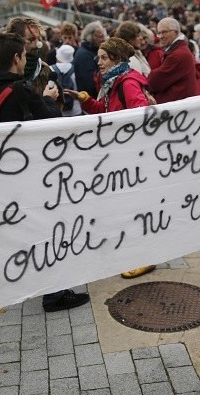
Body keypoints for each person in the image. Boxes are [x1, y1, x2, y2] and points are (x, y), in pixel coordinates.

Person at [0, 33, 89, 311]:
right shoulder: (20, 88)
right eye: (25, 54)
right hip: (31, 170)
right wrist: (48, 99)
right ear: (16, 58)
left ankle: (39, 283)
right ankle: (54, 295)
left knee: (30, 228)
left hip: (5, 171)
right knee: (48, 228)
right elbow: (50, 122)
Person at [67, 37, 153, 278]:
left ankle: (145, 257)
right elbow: (107, 112)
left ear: (116, 58)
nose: (99, 62)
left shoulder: (126, 83)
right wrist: (84, 99)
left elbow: (139, 114)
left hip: (129, 155)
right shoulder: (113, 82)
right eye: (99, 57)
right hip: (119, 154)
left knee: (133, 206)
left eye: (104, 57)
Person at [148, 17, 200, 103]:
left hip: (176, 109)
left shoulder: (178, 54)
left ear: (176, 32)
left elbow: (154, 81)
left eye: (164, 32)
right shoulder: (179, 50)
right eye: (159, 33)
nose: (160, 36)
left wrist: (151, 74)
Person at [73, 21, 107, 98]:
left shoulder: (94, 51)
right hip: (89, 101)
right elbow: (90, 84)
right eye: (100, 37)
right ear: (90, 37)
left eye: (104, 36)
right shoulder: (84, 55)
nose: (104, 39)